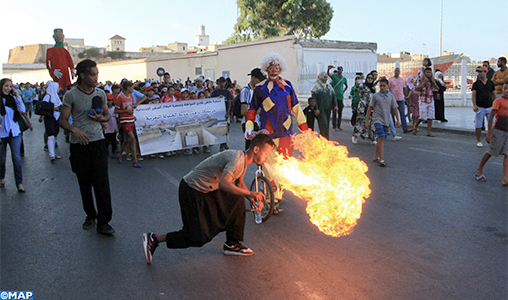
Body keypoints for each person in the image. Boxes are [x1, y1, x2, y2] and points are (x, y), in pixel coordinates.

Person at [142, 133, 275, 263]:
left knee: (237, 199)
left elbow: (239, 184)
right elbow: (224, 184)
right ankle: (155, 238)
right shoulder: (237, 160)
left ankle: (232, 244)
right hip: (192, 189)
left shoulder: (243, 161)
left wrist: (252, 200)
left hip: (210, 188)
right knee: (197, 237)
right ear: (256, 149)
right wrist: (251, 194)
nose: (267, 158)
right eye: (266, 153)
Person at [245, 53, 309, 213]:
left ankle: (277, 196)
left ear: (281, 68)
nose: (274, 70)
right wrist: (249, 127)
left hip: (286, 135)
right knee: (270, 170)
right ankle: (270, 200)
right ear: (266, 69)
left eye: (277, 67)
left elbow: (296, 108)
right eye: (270, 67)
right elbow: (251, 110)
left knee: (284, 169)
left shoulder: (287, 86)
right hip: (268, 136)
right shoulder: (260, 89)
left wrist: (304, 128)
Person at [59, 59, 115, 235]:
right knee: (85, 184)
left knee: (102, 184)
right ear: (82, 75)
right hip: (79, 145)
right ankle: (90, 215)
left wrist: (101, 120)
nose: (96, 77)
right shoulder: (71, 95)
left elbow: (107, 116)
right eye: (92, 74)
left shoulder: (100, 94)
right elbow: (62, 120)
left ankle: (104, 222)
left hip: (98, 142)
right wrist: (75, 130)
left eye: (97, 74)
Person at [1, 78, 32, 192]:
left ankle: (19, 183)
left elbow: (22, 110)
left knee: (17, 158)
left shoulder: (13, 99)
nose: (8, 88)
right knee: (1, 159)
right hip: (2, 133)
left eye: (10, 86)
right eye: (6, 86)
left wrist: (17, 96)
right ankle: (1, 177)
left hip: (14, 132)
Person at [475, 81, 508, 186]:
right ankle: (479, 169)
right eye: (505, 88)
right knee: (491, 152)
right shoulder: (499, 101)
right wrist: (489, 133)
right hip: (498, 131)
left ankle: (505, 177)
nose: (507, 91)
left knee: (507, 155)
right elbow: (491, 118)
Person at [365, 78, 400, 167]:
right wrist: (367, 121)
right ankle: (381, 158)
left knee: (381, 139)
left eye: (384, 86)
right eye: (380, 86)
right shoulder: (376, 96)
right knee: (381, 137)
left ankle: (376, 155)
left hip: (386, 120)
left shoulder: (391, 97)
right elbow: (370, 108)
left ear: (388, 86)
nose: (382, 87)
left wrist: (398, 120)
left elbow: (395, 109)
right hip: (377, 120)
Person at [115, 80, 142, 167]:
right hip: (124, 120)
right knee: (132, 138)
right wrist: (125, 111)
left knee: (127, 140)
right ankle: (135, 160)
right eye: (131, 87)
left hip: (130, 119)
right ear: (127, 88)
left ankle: (119, 155)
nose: (132, 89)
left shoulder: (130, 96)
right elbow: (116, 110)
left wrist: (132, 114)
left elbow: (131, 107)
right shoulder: (120, 97)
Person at [240, 68, 266, 150]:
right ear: (253, 78)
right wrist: (260, 110)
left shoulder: (257, 90)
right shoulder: (246, 90)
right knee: (252, 148)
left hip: (256, 122)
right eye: (259, 79)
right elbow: (243, 111)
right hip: (249, 122)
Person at [472, 67, 496, 147]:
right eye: (478, 72)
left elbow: (494, 94)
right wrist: (475, 105)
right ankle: (478, 140)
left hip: (489, 107)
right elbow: (474, 95)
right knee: (478, 125)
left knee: (493, 124)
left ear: (485, 72)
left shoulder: (490, 83)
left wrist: (495, 105)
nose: (479, 73)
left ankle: (492, 139)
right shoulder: (476, 84)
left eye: (481, 72)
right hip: (480, 107)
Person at [311, 72, 337, 140]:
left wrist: (335, 105)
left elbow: (333, 96)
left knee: (327, 124)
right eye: (324, 77)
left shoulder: (329, 87)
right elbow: (314, 99)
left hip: (328, 108)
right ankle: (323, 139)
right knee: (323, 124)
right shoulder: (316, 87)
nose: (325, 79)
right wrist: (316, 109)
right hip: (320, 109)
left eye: (326, 77)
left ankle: (326, 139)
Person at [352, 72, 377, 144]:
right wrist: (356, 84)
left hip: (371, 107)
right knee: (360, 122)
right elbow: (356, 90)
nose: (370, 79)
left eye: (371, 78)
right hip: (363, 107)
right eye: (368, 78)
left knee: (371, 123)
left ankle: (373, 138)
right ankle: (355, 136)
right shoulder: (363, 86)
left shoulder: (373, 88)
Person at [413, 67, 438, 137]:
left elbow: (437, 88)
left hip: (430, 99)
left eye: (430, 72)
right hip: (423, 99)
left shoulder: (432, 80)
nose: (428, 74)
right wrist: (424, 82)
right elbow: (417, 88)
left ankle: (428, 131)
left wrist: (433, 83)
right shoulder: (420, 80)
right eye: (427, 72)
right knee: (423, 116)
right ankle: (415, 125)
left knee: (431, 116)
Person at [42, 81, 63, 162]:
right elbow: (43, 107)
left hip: (56, 118)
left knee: (54, 134)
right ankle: (52, 155)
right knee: (51, 135)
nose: (58, 89)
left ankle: (53, 153)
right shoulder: (48, 96)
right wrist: (53, 109)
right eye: (57, 88)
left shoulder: (55, 96)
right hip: (50, 118)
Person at [210, 77, 233, 151]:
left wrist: (228, 113)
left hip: (225, 112)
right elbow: (211, 102)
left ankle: (224, 142)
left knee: (227, 128)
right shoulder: (215, 92)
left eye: (223, 82)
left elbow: (229, 102)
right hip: (218, 113)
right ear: (218, 83)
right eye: (221, 82)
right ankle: (221, 143)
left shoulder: (227, 92)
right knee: (220, 129)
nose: (222, 84)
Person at [327, 65, 348, 131]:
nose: (339, 70)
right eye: (338, 69)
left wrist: (343, 91)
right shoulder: (334, 76)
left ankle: (339, 125)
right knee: (334, 112)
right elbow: (328, 74)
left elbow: (346, 86)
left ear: (342, 70)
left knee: (340, 112)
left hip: (340, 97)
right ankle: (334, 126)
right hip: (334, 97)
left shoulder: (343, 79)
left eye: (340, 69)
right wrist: (328, 69)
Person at [389, 67, 408, 135]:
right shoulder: (390, 80)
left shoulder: (402, 80)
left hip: (401, 99)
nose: (397, 72)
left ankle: (405, 128)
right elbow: (388, 88)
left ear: (399, 72)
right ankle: (393, 128)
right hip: (393, 99)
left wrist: (405, 97)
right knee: (393, 114)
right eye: (396, 71)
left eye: (398, 71)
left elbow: (404, 89)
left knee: (402, 113)